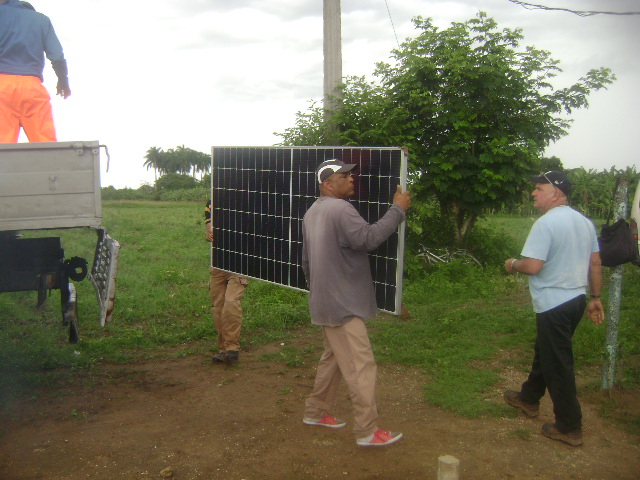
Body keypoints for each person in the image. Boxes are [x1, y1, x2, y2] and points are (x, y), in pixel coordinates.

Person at [301, 159, 411, 447]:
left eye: (351, 175)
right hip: (343, 304)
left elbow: (306, 261)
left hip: (325, 301)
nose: (351, 179)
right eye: (344, 176)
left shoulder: (313, 211)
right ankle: (367, 431)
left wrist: (319, 291)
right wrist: (397, 209)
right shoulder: (341, 209)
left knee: (333, 358)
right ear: (327, 184)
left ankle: (315, 411)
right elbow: (368, 238)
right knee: (362, 365)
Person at [503, 170, 604, 447]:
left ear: (556, 193)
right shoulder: (585, 223)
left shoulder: (546, 224)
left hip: (554, 304)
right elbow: (595, 264)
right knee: (547, 352)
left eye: (539, 188)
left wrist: (513, 264)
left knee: (558, 363)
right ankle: (528, 399)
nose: (533, 193)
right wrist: (595, 297)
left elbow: (534, 266)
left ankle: (569, 427)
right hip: (576, 300)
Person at [0, 0, 71, 143]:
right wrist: (63, 80)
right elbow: (57, 55)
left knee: (2, 147)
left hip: (2, 87)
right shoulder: (41, 20)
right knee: (46, 146)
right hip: (33, 87)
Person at [205, 200, 248, 365]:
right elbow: (209, 226)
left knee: (231, 302)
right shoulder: (212, 202)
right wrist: (208, 231)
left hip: (238, 264)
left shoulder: (246, 200)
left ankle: (232, 348)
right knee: (218, 306)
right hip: (218, 264)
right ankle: (223, 350)